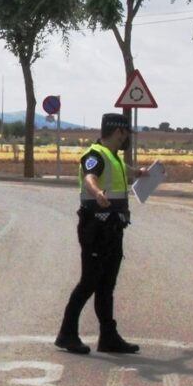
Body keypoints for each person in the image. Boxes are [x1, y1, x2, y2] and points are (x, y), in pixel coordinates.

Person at [55, 113, 146, 355]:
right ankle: (67, 334)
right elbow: (90, 177)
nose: (129, 139)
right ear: (119, 132)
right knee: (89, 283)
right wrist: (97, 193)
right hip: (95, 229)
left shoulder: (112, 156)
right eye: (127, 134)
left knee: (106, 285)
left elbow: (120, 169)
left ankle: (108, 337)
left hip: (113, 229)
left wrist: (138, 173)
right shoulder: (94, 155)